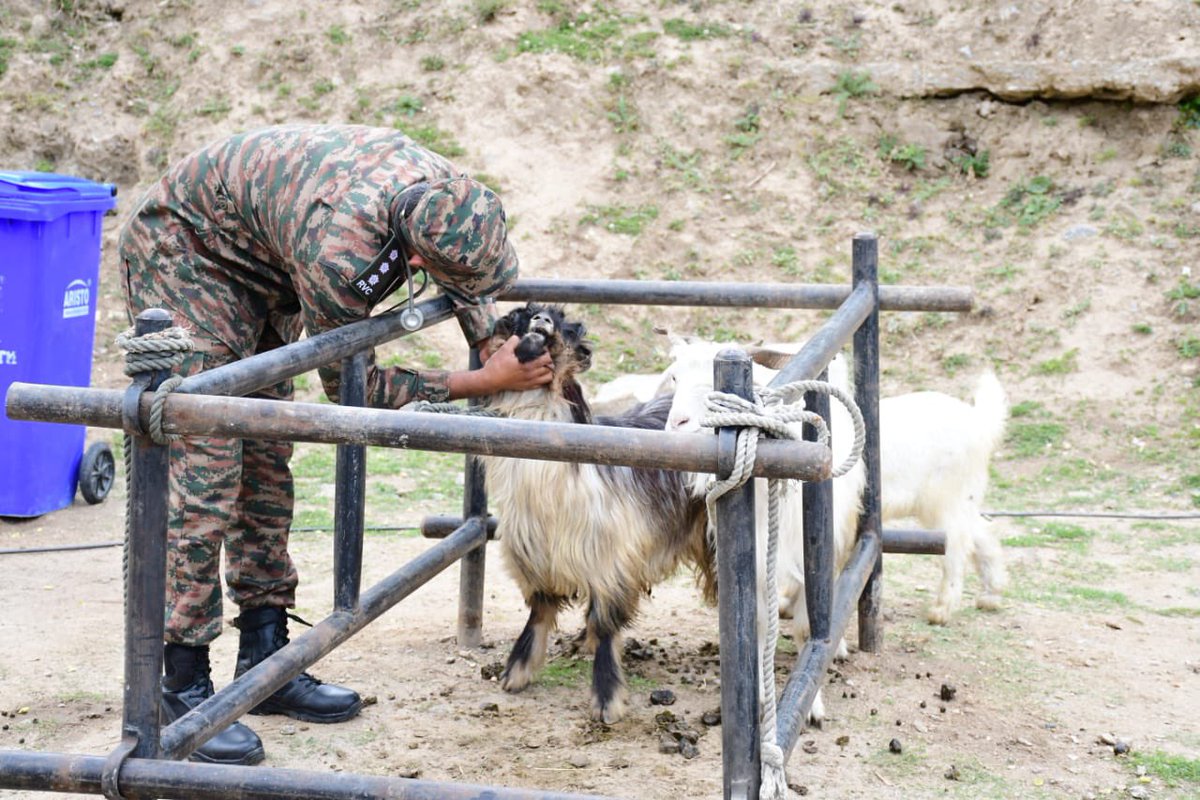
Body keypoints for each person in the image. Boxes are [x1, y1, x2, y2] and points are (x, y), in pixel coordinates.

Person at [118, 124, 552, 766]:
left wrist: (489, 330)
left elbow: (468, 272)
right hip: (188, 257)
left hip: (263, 260)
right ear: (416, 256)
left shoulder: (446, 191)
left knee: (267, 457)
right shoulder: (341, 256)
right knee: (204, 472)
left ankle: (266, 656)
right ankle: (177, 685)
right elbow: (355, 389)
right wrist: (482, 379)